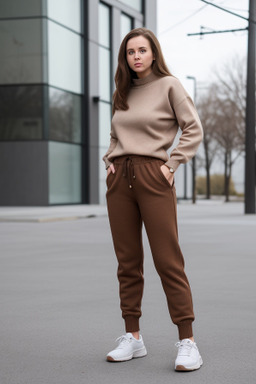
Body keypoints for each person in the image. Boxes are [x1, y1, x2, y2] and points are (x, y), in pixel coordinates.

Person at [103, 27, 203, 371]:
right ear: (125, 58)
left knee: (167, 260)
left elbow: (193, 128)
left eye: (142, 50)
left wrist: (172, 163)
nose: (136, 57)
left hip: (153, 175)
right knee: (127, 262)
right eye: (130, 52)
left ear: (153, 54)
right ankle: (133, 337)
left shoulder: (169, 86)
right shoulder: (123, 91)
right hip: (120, 179)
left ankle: (188, 341)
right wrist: (109, 159)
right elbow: (116, 133)